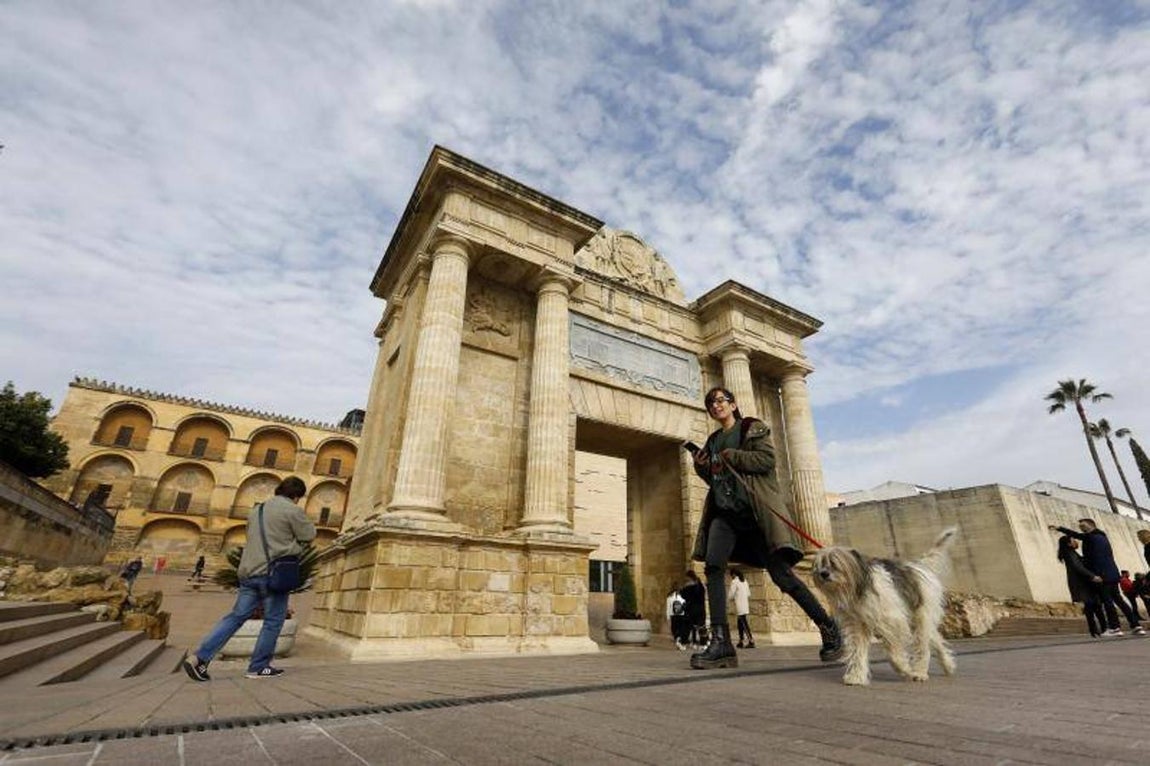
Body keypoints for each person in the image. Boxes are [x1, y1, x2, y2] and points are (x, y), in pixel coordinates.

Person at [688, 386, 842, 670]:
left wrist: (733, 455)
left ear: (733, 405)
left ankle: (828, 626)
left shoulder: (751, 428)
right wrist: (701, 466)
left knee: (783, 577)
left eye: (721, 400)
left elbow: (766, 461)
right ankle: (722, 643)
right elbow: (717, 479)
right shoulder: (713, 440)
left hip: (757, 515)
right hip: (724, 515)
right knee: (712, 567)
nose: (716, 405)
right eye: (711, 403)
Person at [183, 476, 315, 681]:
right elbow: (309, 534)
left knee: (236, 617)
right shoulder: (293, 510)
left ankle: (200, 658)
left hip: (248, 572)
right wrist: (293, 548)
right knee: (273, 621)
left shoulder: (257, 511)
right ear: (297, 496)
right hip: (273, 573)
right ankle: (259, 666)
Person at [1049, 520, 1145, 636]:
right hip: (1113, 573)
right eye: (1080, 526)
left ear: (1091, 526)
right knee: (1119, 601)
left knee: (1108, 602)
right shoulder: (1102, 537)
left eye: (1083, 526)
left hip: (1102, 575)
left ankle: (1115, 628)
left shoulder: (1091, 538)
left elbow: (1079, 538)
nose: (1081, 528)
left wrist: (1059, 528)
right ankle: (1136, 626)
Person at [1056, 535, 1106, 637]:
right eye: (1073, 540)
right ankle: (1101, 628)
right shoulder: (1069, 554)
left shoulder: (1071, 553)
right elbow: (1077, 567)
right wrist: (1092, 576)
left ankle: (1096, 630)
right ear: (1068, 544)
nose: (1075, 542)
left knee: (1091, 606)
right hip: (1083, 583)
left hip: (1082, 583)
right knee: (1094, 606)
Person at [679, 570, 707, 649]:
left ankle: (683, 643)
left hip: (691, 609)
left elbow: (683, 595)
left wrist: (683, 588)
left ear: (689, 577)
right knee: (702, 627)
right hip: (701, 609)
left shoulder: (689, 587)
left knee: (687, 627)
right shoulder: (700, 586)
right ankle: (703, 643)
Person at [729, 569, 754, 649]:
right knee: (740, 624)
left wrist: (730, 599)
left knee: (744, 624)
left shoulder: (734, 582)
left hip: (739, 606)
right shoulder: (744, 581)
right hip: (745, 605)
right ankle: (741, 641)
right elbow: (748, 594)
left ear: (733, 574)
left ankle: (751, 641)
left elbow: (731, 595)